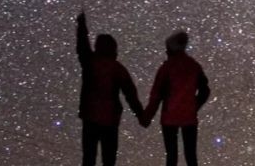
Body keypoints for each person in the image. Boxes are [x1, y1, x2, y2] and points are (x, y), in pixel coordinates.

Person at [75, 11, 146, 166]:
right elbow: (130, 95)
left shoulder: (91, 63)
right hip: (110, 120)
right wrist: (141, 115)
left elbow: (82, 47)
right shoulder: (118, 68)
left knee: (88, 158)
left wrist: (81, 26)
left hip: (90, 117)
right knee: (109, 160)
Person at [142, 29, 210, 166]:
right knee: (191, 156)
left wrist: (147, 117)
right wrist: (194, 106)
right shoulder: (194, 66)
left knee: (171, 157)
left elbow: (156, 95)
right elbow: (205, 90)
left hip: (169, 118)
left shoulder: (166, 68)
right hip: (189, 117)